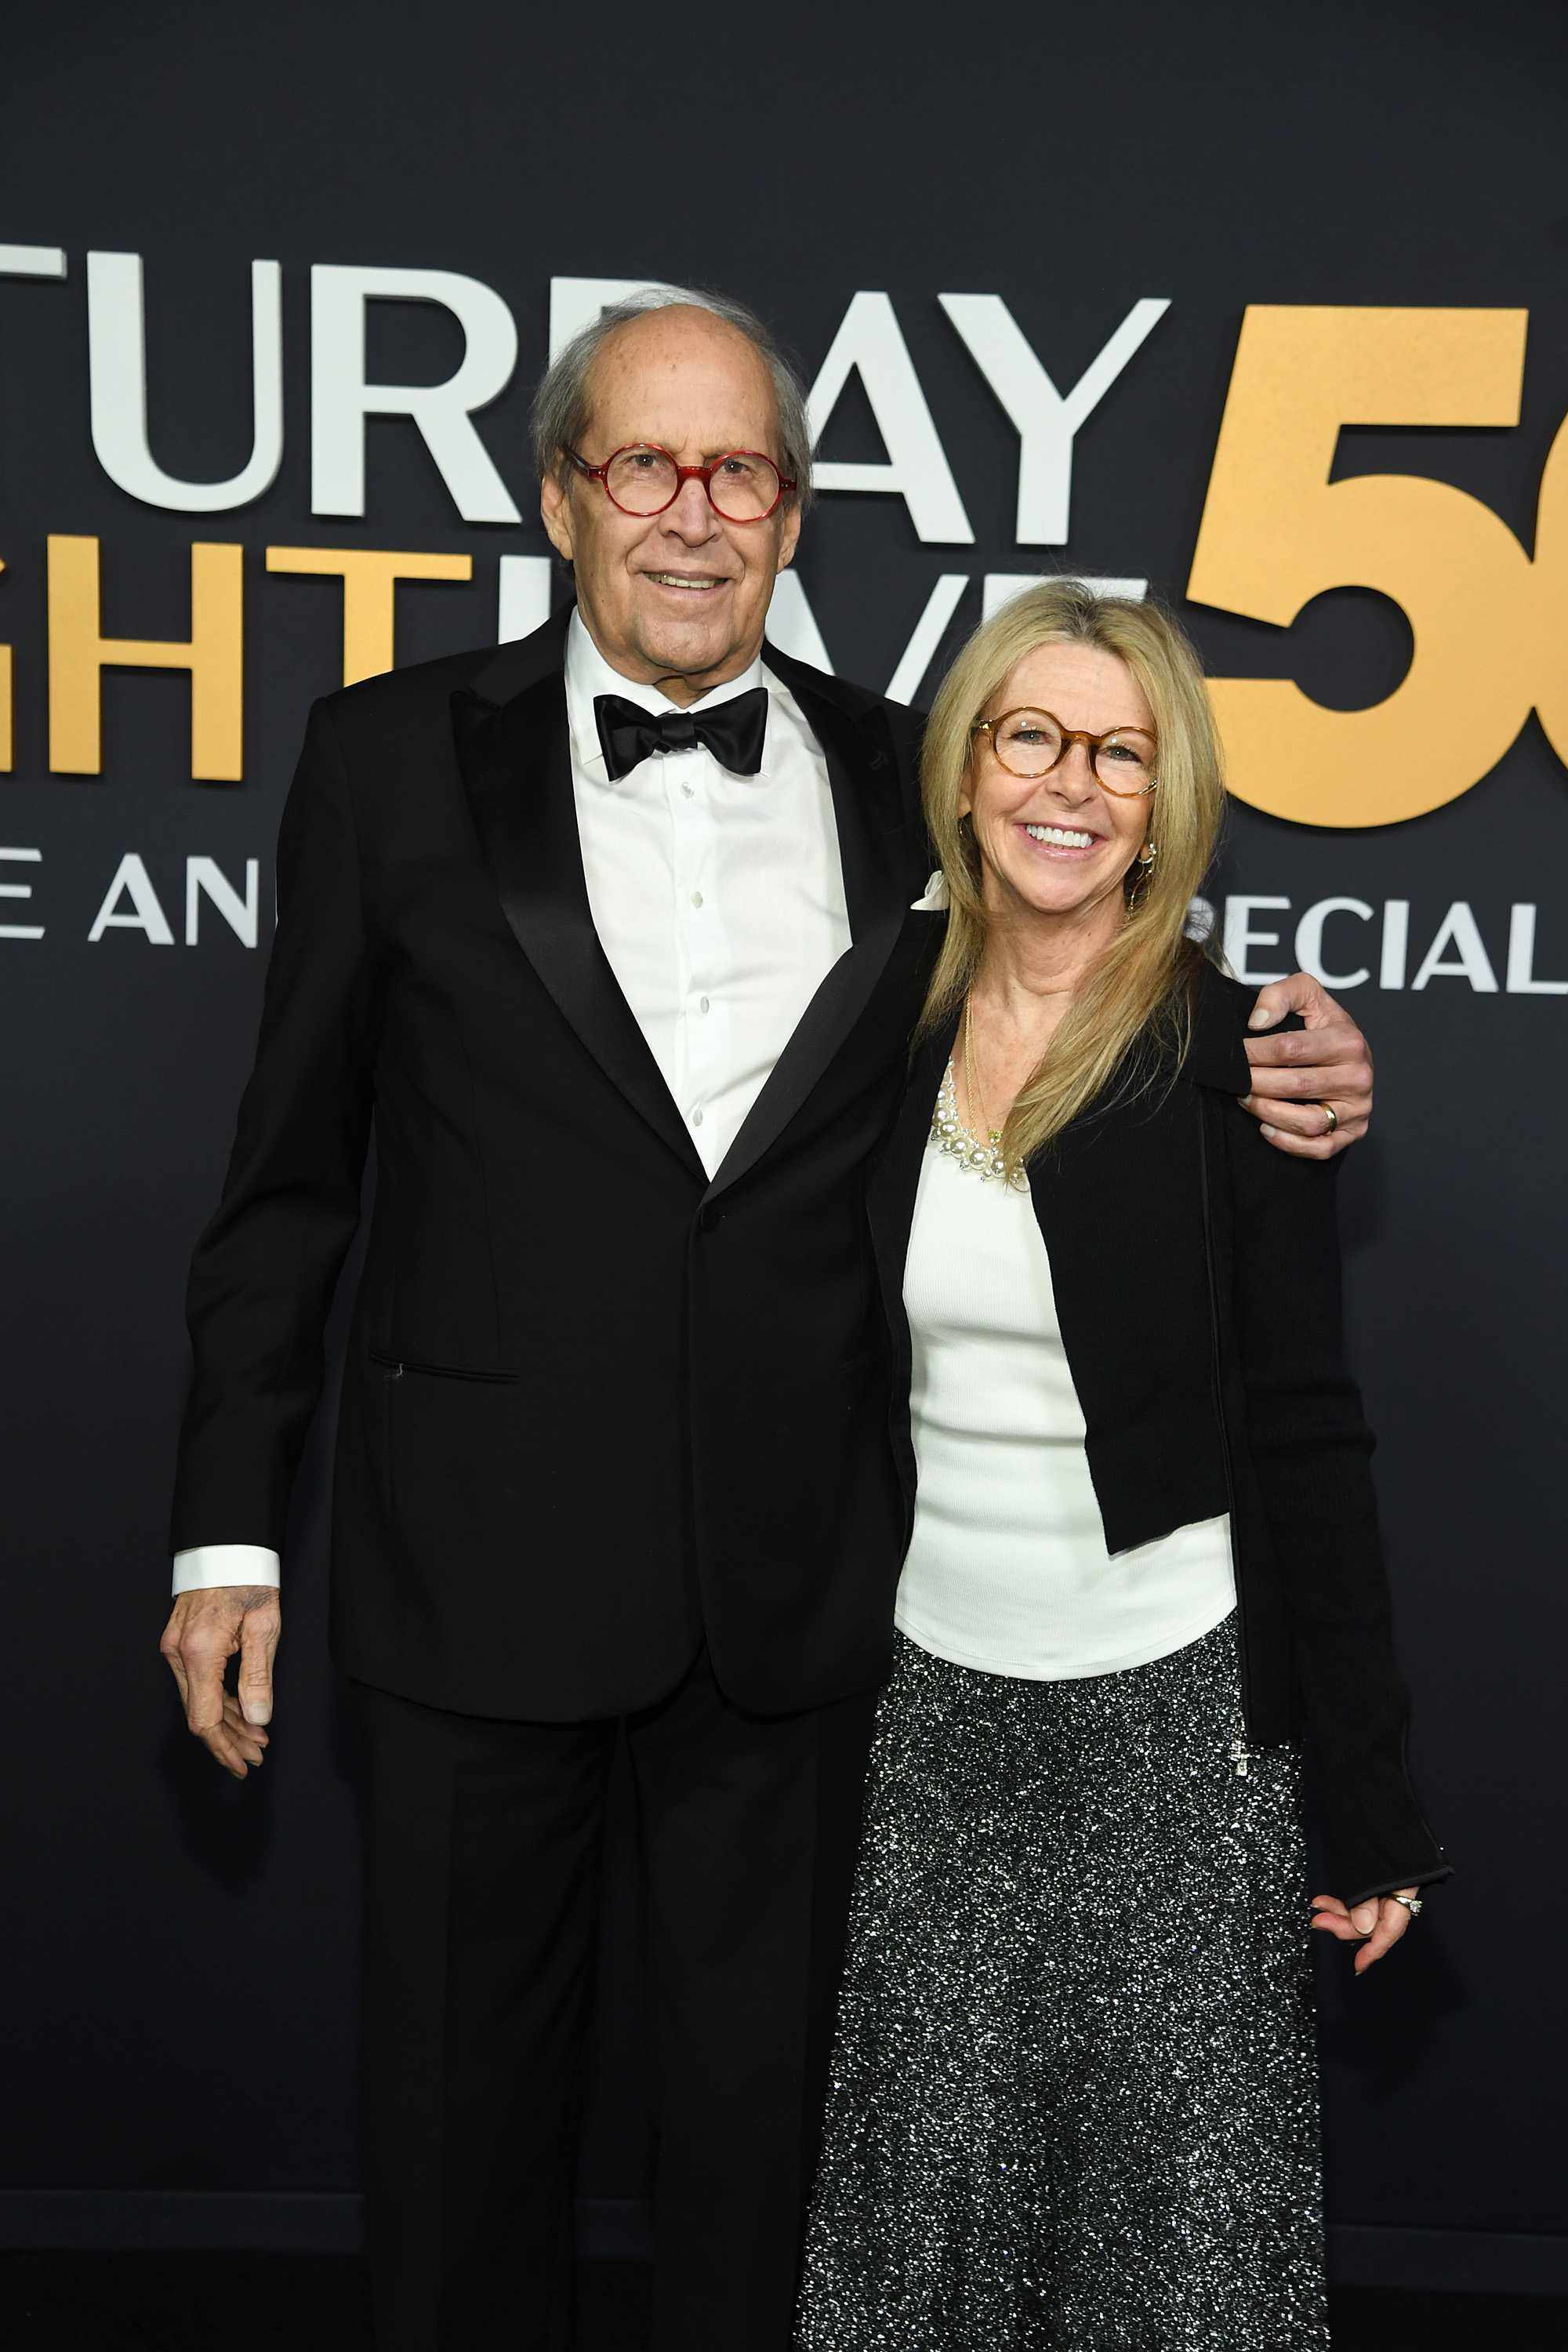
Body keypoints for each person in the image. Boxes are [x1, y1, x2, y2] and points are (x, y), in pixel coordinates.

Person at [157, 291, 1376, 2352]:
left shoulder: (922, 775)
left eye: (740, 472)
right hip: (473, 1580)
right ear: (561, 495)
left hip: (798, 1597)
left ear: (798, 514)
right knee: (459, 2158)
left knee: (771, 2185)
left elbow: (1093, 970)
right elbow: (287, 1184)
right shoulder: (386, 762)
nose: (693, 514)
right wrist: (222, 1529)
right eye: (647, 462)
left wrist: (1292, 1046)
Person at [794, 580, 1450, 2352]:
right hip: (933, 1723)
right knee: (924, 2219)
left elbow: (1312, 1432)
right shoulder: (880, 1024)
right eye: (1030, 735)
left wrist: (1371, 1798)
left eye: (1120, 750)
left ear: (1167, 799)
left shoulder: (1250, 1062)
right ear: (964, 765)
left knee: (1171, 2258)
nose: (1068, 784)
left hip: (1175, 1734)